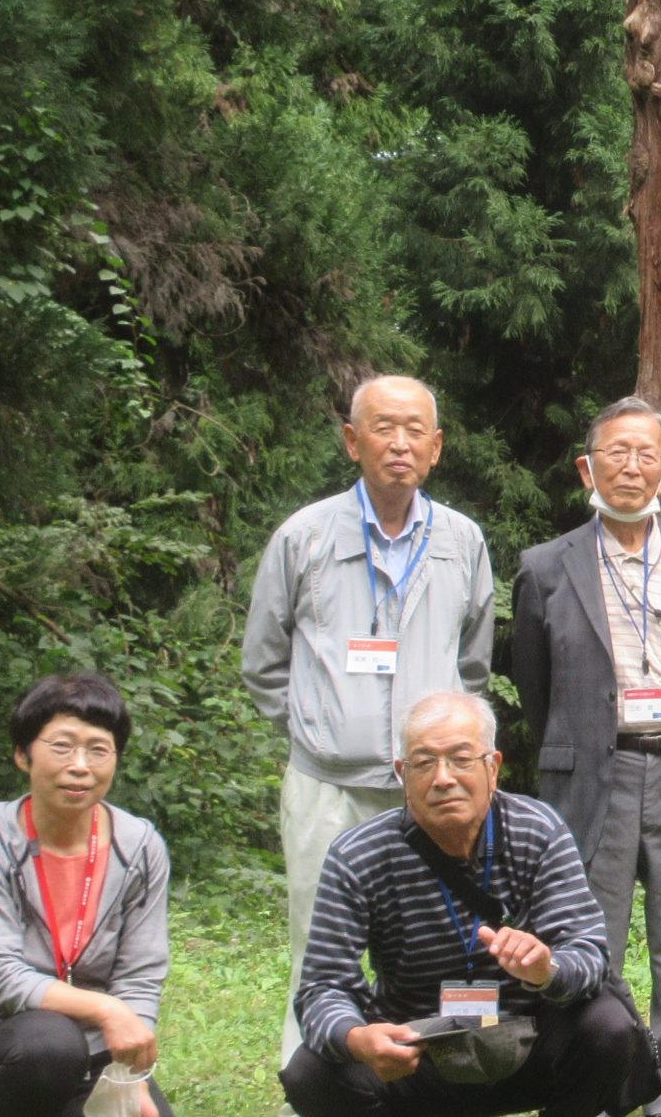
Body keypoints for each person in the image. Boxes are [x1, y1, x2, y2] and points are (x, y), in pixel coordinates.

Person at [242, 374, 496, 1072]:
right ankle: (314, 1081)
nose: (400, 442)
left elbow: (471, 666)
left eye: (416, 429)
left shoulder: (462, 541)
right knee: (316, 942)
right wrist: (318, 731)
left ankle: (436, 1076)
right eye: (384, 427)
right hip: (328, 786)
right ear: (353, 440)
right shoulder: (304, 536)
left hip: (431, 789)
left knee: (436, 940)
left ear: (437, 446)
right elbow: (263, 661)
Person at [507, 395, 661, 1117]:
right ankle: (595, 1085)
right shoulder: (545, 567)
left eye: (646, 453)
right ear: (588, 465)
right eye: (616, 451)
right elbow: (533, 686)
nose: (631, 466)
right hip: (590, 776)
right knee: (588, 941)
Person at [280, 692, 659, 1117]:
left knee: (608, 1027)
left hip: (526, 1038)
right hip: (416, 1053)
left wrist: (545, 969)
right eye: (424, 763)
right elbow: (321, 987)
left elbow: (589, 953)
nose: (442, 778)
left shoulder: (538, 831)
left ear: (492, 768)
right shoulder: (358, 855)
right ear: (403, 774)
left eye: (461, 759)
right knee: (309, 1073)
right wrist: (356, 1038)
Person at [0, 674, 173, 1117]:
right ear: (23, 755)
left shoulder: (140, 847)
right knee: (50, 1044)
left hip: (95, 1058)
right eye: (62, 746)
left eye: (98, 749)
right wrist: (106, 1010)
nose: (80, 765)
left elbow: (141, 973)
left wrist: (129, 1075)